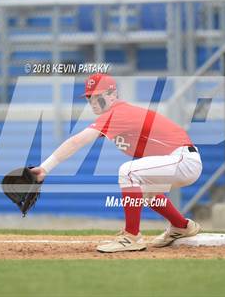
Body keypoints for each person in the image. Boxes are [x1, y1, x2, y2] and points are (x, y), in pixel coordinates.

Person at [31, 73, 202, 253]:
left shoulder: (118, 113)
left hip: (183, 160)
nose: (93, 101)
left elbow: (77, 141)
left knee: (128, 172)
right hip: (180, 160)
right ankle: (181, 226)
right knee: (143, 189)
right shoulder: (116, 113)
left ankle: (131, 236)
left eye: (98, 96)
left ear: (113, 95)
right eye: (89, 97)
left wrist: (45, 167)